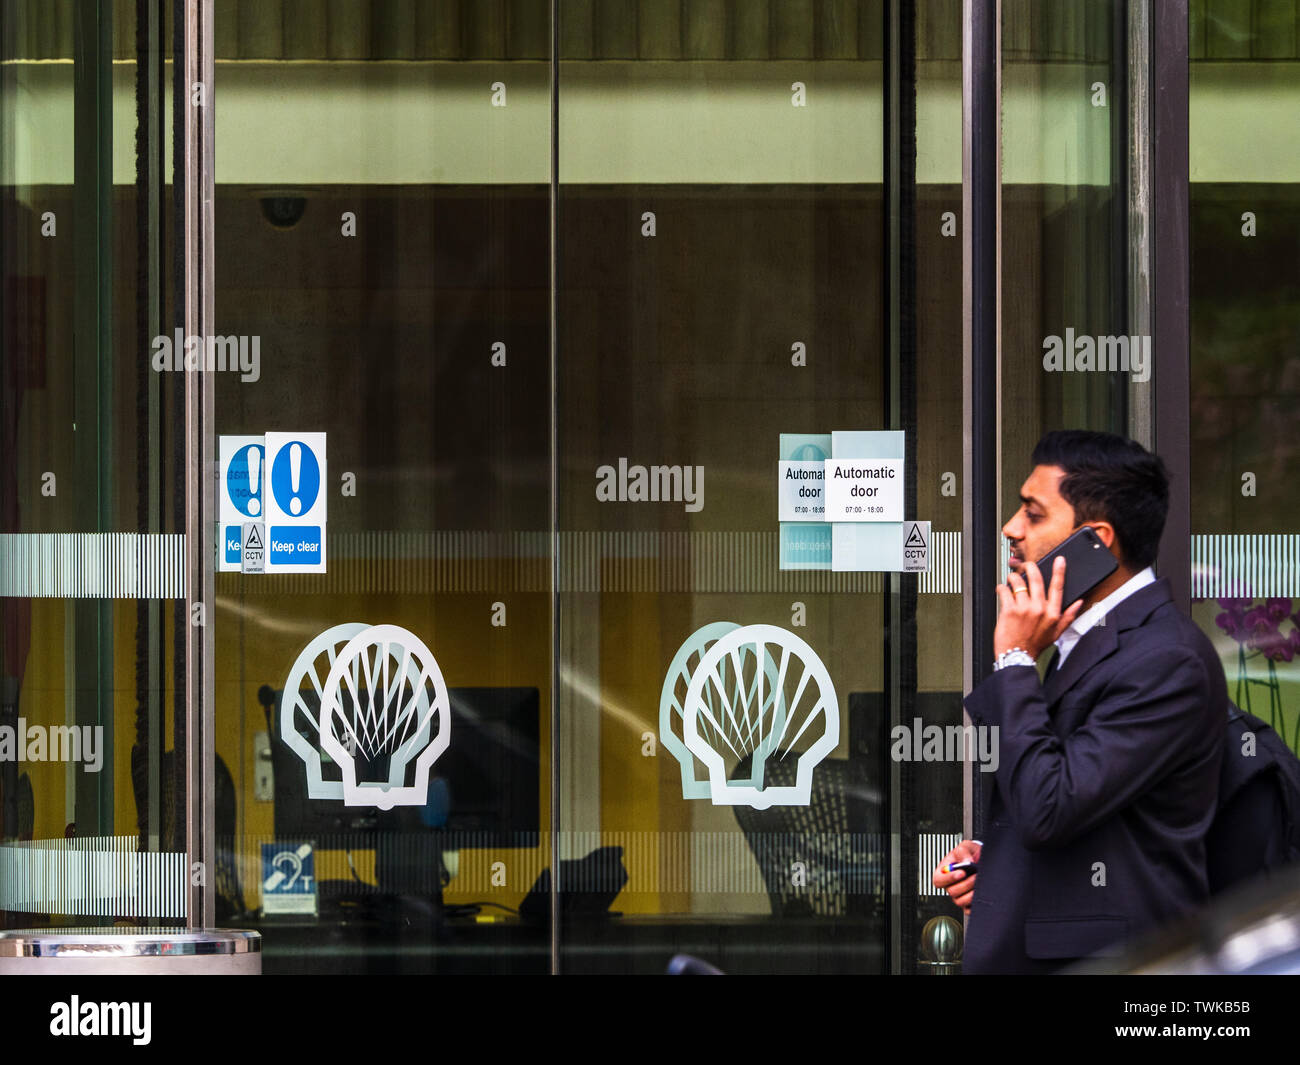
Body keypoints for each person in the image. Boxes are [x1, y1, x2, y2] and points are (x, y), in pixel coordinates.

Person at [933, 430, 1226, 974]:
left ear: (1096, 539)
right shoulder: (1090, 642)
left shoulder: (1167, 659)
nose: (1011, 529)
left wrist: (1016, 660)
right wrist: (999, 866)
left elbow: (1051, 808)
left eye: (1033, 513)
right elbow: (1087, 807)